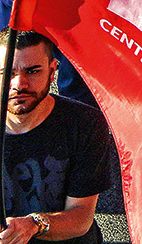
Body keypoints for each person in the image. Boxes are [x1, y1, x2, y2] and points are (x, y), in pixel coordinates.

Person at [0, 30, 111, 244]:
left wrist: (34, 225)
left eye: (32, 71)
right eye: (8, 73)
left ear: (52, 72)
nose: (19, 84)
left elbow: (81, 216)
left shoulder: (85, 123)